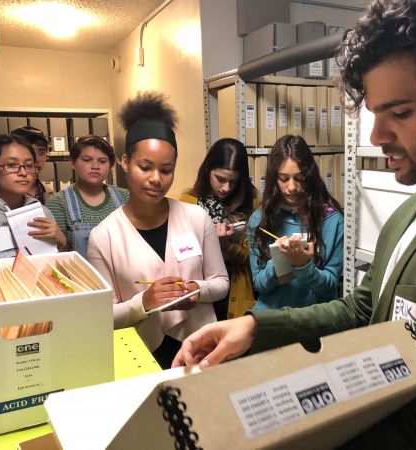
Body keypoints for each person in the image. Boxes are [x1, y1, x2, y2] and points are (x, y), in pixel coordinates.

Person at [173, 1, 416, 448]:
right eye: (376, 114)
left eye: (401, 113)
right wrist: (256, 329)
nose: (376, 136)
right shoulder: (414, 209)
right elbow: (362, 310)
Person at [87, 92, 229, 369]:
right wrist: (144, 303)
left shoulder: (196, 218)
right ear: (125, 162)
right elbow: (103, 315)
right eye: (145, 167)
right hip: (140, 355)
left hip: (200, 348)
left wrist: (196, 290)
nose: (156, 179)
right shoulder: (104, 236)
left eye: (166, 170)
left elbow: (221, 282)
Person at [247, 134, 344, 310]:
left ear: (310, 176)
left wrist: (304, 266)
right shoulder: (259, 218)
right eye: (283, 179)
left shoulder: (332, 220)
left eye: (299, 178)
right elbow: (259, 285)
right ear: (274, 178)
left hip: (314, 316)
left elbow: (330, 286)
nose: (291, 187)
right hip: (273, 316)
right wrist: (280, 262)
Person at [180, 138, 257, 319]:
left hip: (236, 295)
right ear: (207, 170)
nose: (226, 188)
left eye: (234, 182)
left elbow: (257, 260)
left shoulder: (252, 204)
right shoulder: (188, 202)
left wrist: (228, 247)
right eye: (220, 179)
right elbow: (181, 254)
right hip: (199, 292)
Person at [0, 134, 67, 262]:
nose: (23, 173)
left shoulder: (43, 213)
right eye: (12, 165)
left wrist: (62, 243)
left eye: (29, 165)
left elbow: (57, 265)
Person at [46, 135, 128, 257]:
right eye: (87, 160)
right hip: (78, 269)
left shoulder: (125, 197)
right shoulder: (57, 203)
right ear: (73, 163)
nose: (95, 166)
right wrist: (62, 244)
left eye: (102, 161)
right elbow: (56, 256)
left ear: (110, 166)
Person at [10, 126, 54, 204]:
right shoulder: (3, 195)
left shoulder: (51, 194)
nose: (36, 159)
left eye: (41, 153)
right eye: (30, 151)